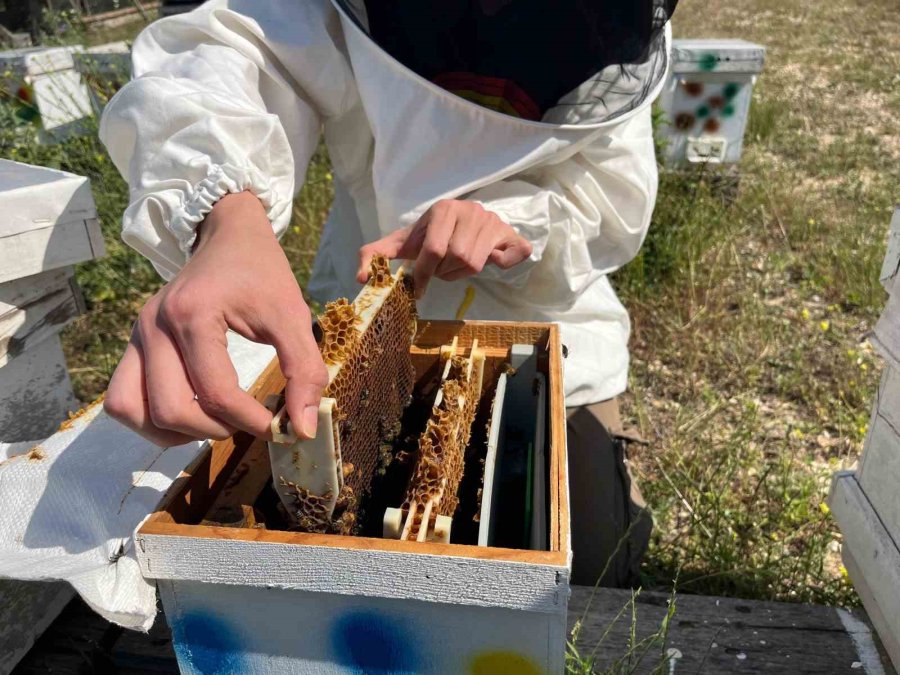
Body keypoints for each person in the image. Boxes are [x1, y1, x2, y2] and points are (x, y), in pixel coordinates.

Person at [100, 0, 676, 587]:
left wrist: (515, 222)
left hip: (554, 316)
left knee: (593, 575)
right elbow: (232, 49)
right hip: (367, 292)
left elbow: (610, 202)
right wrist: (225, 214)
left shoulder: (612, 24)